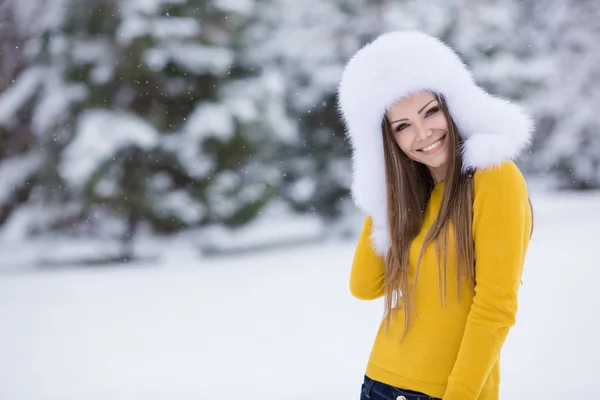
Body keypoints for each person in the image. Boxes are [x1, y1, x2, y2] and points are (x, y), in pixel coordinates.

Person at [336, 31, 534, 400]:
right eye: (402, 126)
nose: (423, 133)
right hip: (378, 382)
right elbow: (364, 286)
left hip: (445, 391)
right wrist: (382, 191)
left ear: (454, 106)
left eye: (430, 112)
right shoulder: (412, 194)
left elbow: (496, 306)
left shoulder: (494, 177)